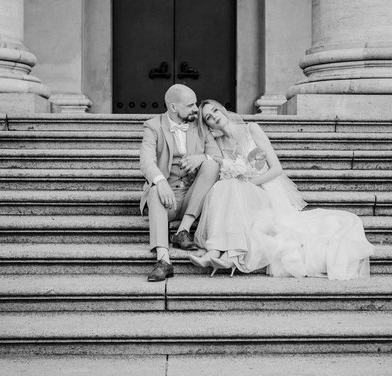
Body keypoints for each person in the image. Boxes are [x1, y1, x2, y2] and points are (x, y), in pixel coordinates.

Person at [189, 99, 375, 280]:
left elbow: (276, 169)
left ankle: (230, 253)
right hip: (241, 193)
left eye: (214, 111)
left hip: (264, 190)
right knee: (223, 186)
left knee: (233, 186)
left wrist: (248, 183)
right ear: (209, 125)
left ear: (222, 109)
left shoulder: (251, 129)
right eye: (208, 118)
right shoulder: (219, 144)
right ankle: (218, 251)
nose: (214, 117)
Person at [140, 85, 222, 282]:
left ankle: (182, 230)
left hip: (193, 196)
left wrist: (201, 157)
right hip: (166, 199)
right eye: (191, 104)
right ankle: (163, 259)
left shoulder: (199, 125)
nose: (196, 108)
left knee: (211, 165)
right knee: (154, 190)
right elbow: (146, 161)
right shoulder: (153, 126)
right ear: (173, 107)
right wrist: (160, 181)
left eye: (196, 103)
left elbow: (218, 157)